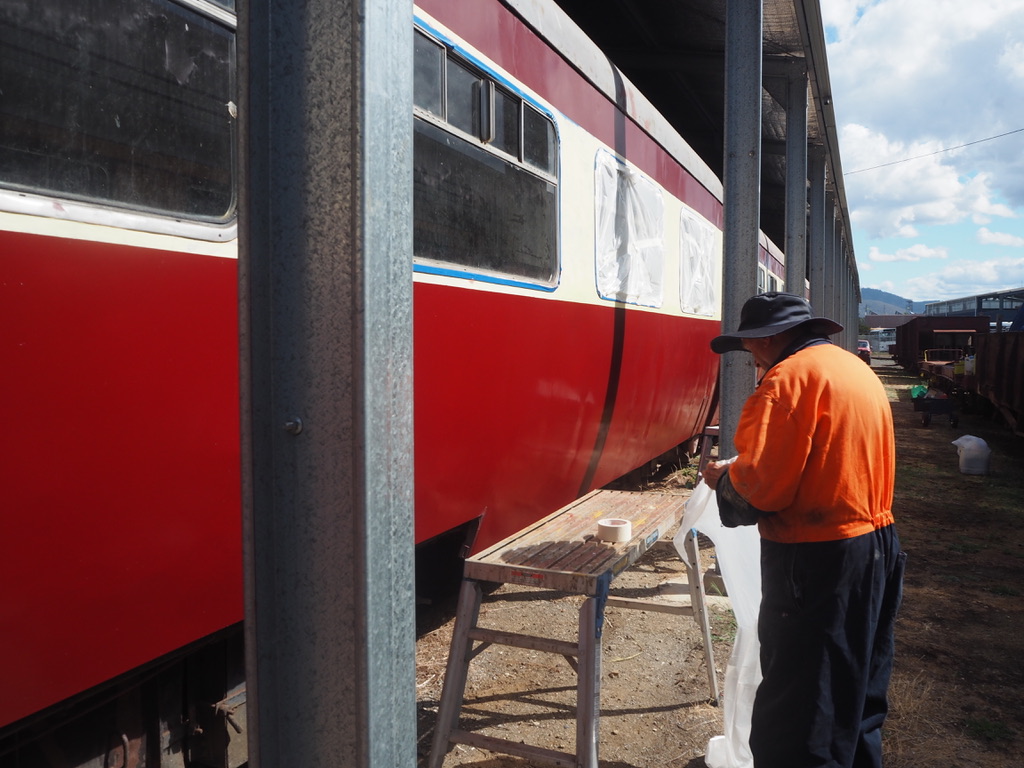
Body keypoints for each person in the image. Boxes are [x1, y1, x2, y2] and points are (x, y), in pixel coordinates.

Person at [702, 292, 906, 768]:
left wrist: (723, 480)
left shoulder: (784, 382)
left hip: (818, 558)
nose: (752, 358)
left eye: (750, 346)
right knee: (856, 694)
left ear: (767, 339)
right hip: (876, 545)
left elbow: (760, 492)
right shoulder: (852, 368)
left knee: (801, 712)